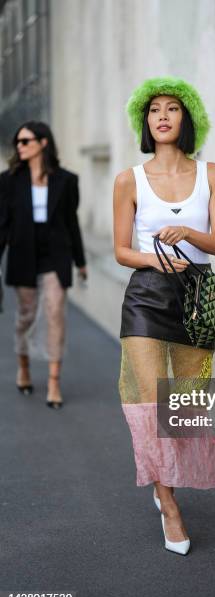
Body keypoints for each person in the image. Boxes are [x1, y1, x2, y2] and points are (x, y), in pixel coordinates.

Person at [113, 76, 215, 555]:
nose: (162, 116)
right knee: (147, 403)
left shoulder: (213, 174)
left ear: (188, 119)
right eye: (154, 109)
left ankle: (168, 486)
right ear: (145, 120)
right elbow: (122, 250)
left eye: (172, 109)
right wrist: (153, 258)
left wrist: (187, 232)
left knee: (180, 411)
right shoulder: (129, 180)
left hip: (198, 296)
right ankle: (169, 505)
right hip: (145, 296)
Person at [0, 121, 87, 409]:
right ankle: (23, 366)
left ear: (43, 143)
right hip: (23, 252)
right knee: (25, 316)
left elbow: (71, 222)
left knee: (54, 312)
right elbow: (3, 225)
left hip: (55, 254)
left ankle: (53, 381)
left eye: (26, 141)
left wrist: (80, 261)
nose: (20, 147)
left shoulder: (66, 180)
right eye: (18, 142)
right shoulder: (9, 180)